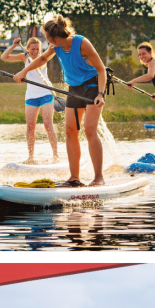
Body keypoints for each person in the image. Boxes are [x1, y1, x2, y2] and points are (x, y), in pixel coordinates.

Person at [15, 15, 108, 186]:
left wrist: (101, 94)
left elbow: (102, 70)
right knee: (71, 130)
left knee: (89, 130)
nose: (46, 41)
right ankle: (74, 178)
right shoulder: (55, 46)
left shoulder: (82, 43)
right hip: (73, 88)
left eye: (47, 37)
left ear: (56, 37)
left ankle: (98, 178)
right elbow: (42, 59)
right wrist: (24, 72)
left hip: (93, 86)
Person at [1, 36, 59, 163]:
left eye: (37, 49)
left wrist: (23, 72)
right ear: (27, 49)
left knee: (48, 125)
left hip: (46, 94)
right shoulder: (24, 57)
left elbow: (35, 66)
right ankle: (31, 157)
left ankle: (56, 156)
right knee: (30, 127)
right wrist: (13, 46)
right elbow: (3, 57)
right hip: (31, 96)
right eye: (32, 49)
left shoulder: (42, 58)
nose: (35, 52)